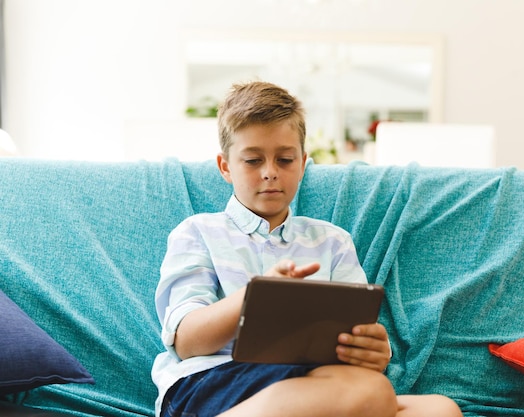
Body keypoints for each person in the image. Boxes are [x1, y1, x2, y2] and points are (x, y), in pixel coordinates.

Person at [152, 81, 463, 417]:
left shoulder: (332, 241)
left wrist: (374, 351)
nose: (270, 173)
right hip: (209, 383)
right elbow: (186, 343)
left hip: (309, 383)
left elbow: (354, 332)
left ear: (302, 163)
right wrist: (256, 296)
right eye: (253, 160)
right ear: (226, 166)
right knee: (371, 393)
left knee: (440, 410)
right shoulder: (198, 232)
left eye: (284, 160)